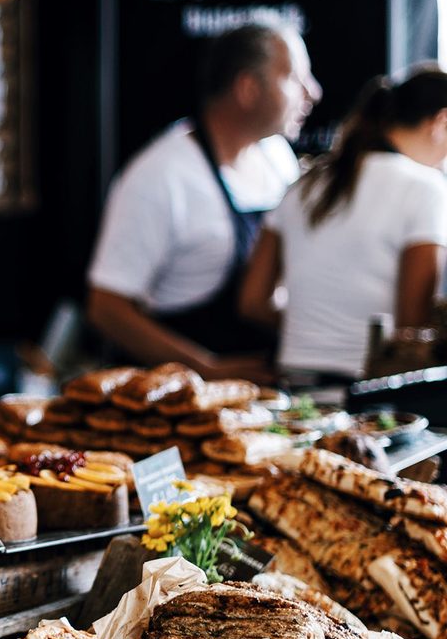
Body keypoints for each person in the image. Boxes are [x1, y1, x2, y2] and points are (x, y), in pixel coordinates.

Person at [86, 20, 322, 380]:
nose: (313, 92)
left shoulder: (276, 156)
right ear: (247, 88)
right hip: (178, 401)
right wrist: (206, 370)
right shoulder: (160, 177)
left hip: (267, 392)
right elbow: (106, 308)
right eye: (294, 77)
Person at [240, 66, 447, 381]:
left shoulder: (304, 183)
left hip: (294, 386)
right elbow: (411, 329)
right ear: (441, 122)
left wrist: (315, 330)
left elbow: (252, 302)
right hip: (370, 394)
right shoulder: (426, 188)